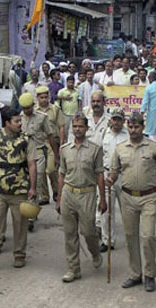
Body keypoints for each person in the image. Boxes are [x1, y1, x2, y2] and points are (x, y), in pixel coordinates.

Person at [106, 112, 156, 292]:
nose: (133, 130)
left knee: (148, 236)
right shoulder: (120, 148)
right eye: (130, 127)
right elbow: (114, 171)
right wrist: (110, 179)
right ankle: (135, 274)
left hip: (149, 197)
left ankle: (150, 274)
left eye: (136, 127)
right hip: (127, 197)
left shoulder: (153, 147)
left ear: (143, 128)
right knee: (130, 237)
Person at [0, 108, 38, 271]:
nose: (20, 124)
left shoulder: (26, 140)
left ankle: (19, 255)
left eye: (20, 121)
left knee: (20, 224)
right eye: (16, 121)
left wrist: (33, 188)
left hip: (19, 190)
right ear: (6, 123)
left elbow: (32, 165)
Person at [55, 113, 106, 283]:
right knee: (70, 234)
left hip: (87, 194)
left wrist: (103, 198)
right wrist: (59, 196)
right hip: (69, 193)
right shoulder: (65, 149)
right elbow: (62, 173)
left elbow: (99, 174)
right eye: (75, 126)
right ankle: (73, 268)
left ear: (86, 128)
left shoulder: (95, 149)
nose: (77, 129)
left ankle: (95, 252)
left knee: (88, 231)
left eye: (80, 126)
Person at [20, 92, 58, 230]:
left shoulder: (42, 118)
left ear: (32, 105)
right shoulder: (18, 118)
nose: (26, 111)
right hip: (23, 154)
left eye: (28, 108)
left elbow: (50, 136)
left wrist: (56, 155)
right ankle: (27, 208)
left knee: (37, 179)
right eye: (24, 109)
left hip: (39, 151)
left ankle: (31, 215)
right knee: (25, 182)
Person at [99, 109, 129, 252]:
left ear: (123, 121)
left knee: (127, 211)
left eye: (119, 120)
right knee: (106, 211)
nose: (116, 122)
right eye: (114, 119)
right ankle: (107, 240)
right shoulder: (104, 134)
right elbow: (99, 153)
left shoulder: (128, 135)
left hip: (123, 176)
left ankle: (131, 238)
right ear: (110, 120)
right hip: (107, 175)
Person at [35, 86, 64, 205]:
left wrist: (62, 144)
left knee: (52, 169)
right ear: (37, 98)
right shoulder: (34, 111)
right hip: (38, 143)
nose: (44, 100)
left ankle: (57, 191)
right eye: (41, 97)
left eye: (46, 97)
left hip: (53, 142)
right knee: (40, 171)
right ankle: (44, 196)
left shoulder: (55, 109)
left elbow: (61, 126)